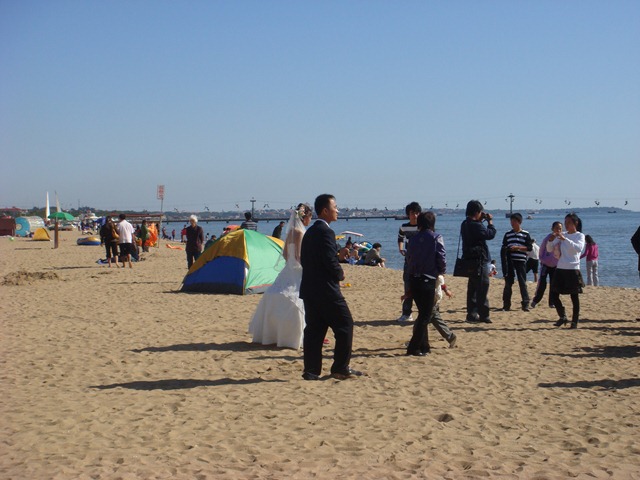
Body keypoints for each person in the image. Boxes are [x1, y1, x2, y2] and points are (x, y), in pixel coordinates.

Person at [300, 194, 362, 380]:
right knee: (345, 325)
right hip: (326, 290)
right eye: (335, 207)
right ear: (325, 211)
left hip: (310, 289)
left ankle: (311, 371)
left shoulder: (310, 231)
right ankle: (340, 367)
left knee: (314, 330)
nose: (337, 210)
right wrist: (339, 273)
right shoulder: (325, 232)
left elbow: (307, 259)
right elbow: (329, 260)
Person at [249, 204, 313, 349]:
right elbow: (299, 255)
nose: (310, 220)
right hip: (297, 269)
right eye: (310, 217)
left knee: (276, 291)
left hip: (288, 268)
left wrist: (290, 263)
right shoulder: (300, 232)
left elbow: (285, 254)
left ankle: (272, 333)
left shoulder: (290, 231)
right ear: (305, 217)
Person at [403, 211, 446, 356]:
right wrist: (441, 271)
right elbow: (441, 256)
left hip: (414, 278)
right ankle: (414, 347)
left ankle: (424, 345)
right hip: (428, 278)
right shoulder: (436, 237)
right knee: (425, 315)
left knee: (423, 313)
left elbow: (409, 258)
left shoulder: (413, 239)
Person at [547, 213, 586, 329]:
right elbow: (549, 249)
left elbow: (578, 249)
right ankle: (562, 316)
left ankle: (574, 321)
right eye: (565, 222)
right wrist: (550, 240)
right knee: (554, 294)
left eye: (569, 222)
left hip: (573, 269)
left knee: (574, 297)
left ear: (575, 223)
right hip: (560, 268)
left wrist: (565, 239)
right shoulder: (562, 235)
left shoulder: (580, 235)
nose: (566, 224)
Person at [461, 200, 496, 323]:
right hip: (480, 260)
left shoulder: (465, 224)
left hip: (469, 259)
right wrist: (490, 222)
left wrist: (480, 221)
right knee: (482, 287)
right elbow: (490, 234)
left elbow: (477, 233)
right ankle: (484, 315)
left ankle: (471, 314)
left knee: (472, 288)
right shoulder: (476, 225)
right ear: (477, 212)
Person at [501, 213, 533, 312]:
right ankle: (506, 305)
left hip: (521, 260)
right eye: (511, 221)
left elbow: (529, 248)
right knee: (508, 283)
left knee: (522, 282)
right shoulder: (508, 234)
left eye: (514, 221)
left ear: (519, 222)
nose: (512, 223)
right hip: (510, 261)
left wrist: (518, 248)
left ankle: (525, 304)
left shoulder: (525, 234)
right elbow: (504, 246)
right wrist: (507, 249)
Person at [397, 201, 422, 323]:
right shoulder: (404, 227)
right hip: (409, 261)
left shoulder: (423, 227)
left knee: (422, 288)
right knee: (408, 285)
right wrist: (401, 249)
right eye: (412, 213)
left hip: (422, 262)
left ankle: (424, 313)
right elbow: (400, 238)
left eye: (417, 213)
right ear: (408, 214)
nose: (415, 216)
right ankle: (407, 313)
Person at [531, 222, 562, 309]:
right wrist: (542, 259)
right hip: (545, 264)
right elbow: (541, 249)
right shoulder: (548, 238)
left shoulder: (562, 239)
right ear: (552, 229)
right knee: (542, 284)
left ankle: (551, 302)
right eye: (556, 228)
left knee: (553, 284)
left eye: (560, 228)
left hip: (555, 265)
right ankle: (535, 300)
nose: (558, 230)